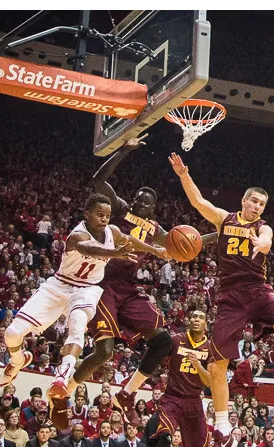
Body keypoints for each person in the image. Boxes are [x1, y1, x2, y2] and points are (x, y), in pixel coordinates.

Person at [169, 152, 274, 447]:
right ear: (243, 200)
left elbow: (267, 238)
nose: (257, 207)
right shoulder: (224, 219)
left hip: (257, 289)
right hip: (230, 297)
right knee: (216, 364)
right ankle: (223, 430)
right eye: (254, 201)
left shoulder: (263, 227)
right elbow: (198, 202)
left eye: (262, 204)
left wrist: (263, 243)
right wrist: (183, 175)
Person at [63, 137, 215, 416]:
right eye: (138, 198)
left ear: (153, 208)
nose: (139, 202)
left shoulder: (155, 229)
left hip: (127, 288)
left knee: (163, 341)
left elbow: (190, 243)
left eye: (146, 201)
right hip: (101, 283)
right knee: (104, 351)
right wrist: (123, 151)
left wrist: (221, 232)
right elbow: (98, 180)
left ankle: (127, 393)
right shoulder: (119, 209)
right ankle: (67, 390)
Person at [0, 193, 167, 388]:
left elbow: (129, 239)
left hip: (87, 289)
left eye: (107, 215)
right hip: (59, 285)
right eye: (99, 215)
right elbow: (89, 249)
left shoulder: (112, 231)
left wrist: (155, 250)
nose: (104, 219)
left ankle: (62, 376)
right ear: (87, 214)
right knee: (12, 333)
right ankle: (18, 360)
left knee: (77, 328)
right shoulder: (78, 235)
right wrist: (113, 253)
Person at [136, 310, 215, 447]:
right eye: (193, 316)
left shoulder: (210, 347)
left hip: (194, 401)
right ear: (188, 321)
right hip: (172, 398)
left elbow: (210, 381)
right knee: (165, 437)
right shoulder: (175, 340)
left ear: (206, 324)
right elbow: (154, 355)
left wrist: (197, 365)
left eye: (200, 317)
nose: (196, 319)